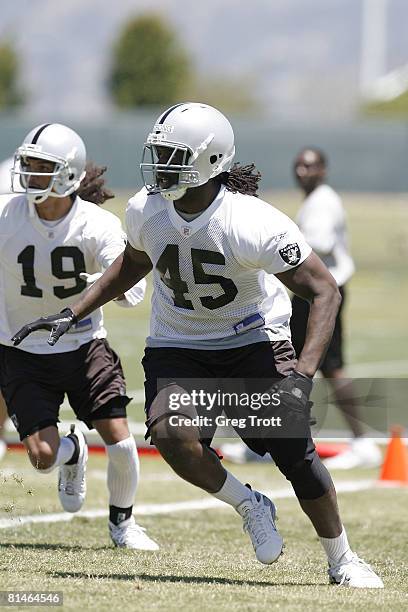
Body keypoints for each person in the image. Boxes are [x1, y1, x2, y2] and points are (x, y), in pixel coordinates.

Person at [12, 105, 382, 588]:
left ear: (209, 163)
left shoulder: (250, 221)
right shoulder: (148, 209)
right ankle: (249, 504)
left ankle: (343, 559)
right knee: (169, 435)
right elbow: (131, 264)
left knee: (294, 451)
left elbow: (324, 290)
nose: (159, 164)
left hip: (252, 337)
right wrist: (72, 311)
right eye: (158, 153)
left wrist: (303, 373)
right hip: (179, 341)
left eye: (172, 155)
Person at [0, 124, 158, 550]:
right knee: (41, 456)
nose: (30, 175)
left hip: (84, 344)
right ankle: (72, 449)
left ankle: (123, 524)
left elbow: (133, 289)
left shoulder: (97, 225)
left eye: (41, 167)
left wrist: (104, 285)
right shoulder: (5, 215)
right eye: (28, 165)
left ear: (67, 175)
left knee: (122, 444)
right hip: (21, 348)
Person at [291, 147, 382, 470]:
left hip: (321, 293)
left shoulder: (323, 202)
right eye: (299, 165)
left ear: (323, 170)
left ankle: (362, 442)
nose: (303, 171)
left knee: (327, 364)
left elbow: (321, 243)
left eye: (310, 166)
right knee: (296, 362)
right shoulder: (316, 200)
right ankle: (277, 439)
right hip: (312, 291)